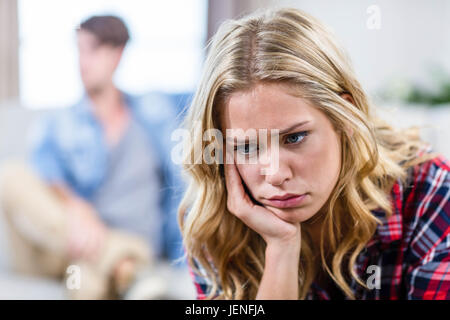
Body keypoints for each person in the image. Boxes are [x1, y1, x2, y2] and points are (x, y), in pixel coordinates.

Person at [178, 8, 450, 300]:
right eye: (246, 147)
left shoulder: (430, 195)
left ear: (346, 116)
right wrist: (281, 249)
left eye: (294, 138)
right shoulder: (216, 228)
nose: (276, 174)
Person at [0, 15, 185, 299]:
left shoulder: (153, 114)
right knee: (10, 176)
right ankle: (126, 267)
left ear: (117, 54)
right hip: (68, 241)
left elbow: (183, 178)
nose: (82, 61)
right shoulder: (61, 122)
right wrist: (76, 206)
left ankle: (120, 266)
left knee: (82, 285)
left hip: (95, 257)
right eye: (79, 50)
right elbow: (44, 169)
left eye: (93, 49)